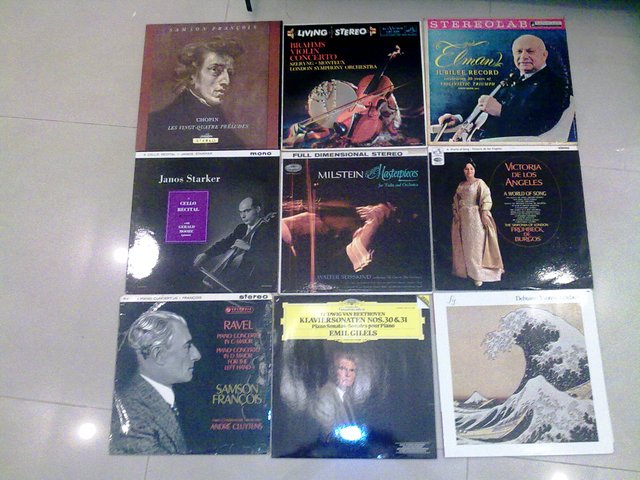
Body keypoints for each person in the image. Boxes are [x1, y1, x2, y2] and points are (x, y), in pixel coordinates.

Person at [439, 34, 571, 140]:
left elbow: (540, 123)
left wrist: (502, 111)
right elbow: (487, 104)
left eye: (530, 51)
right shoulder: (514, 77)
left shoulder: (555, 84)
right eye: (519, 52)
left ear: (544, 55)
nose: (523, 56)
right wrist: (459, 118)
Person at [110, 310, 202, 454]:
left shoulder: (155, 400)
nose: (197, 355)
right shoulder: (134, 422)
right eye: (187, 346)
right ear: (159, 355)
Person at [146, 37, 245, 151]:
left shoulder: (225, 127)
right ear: (192, 74)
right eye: (215, 70)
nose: (226, 81)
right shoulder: (156, 124)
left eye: (229, 73)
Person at [193, 197, 277, 292]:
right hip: (233, 278)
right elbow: (225, 243)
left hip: (255, 281)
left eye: (247, 211)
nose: (243, 216)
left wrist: (248, 248)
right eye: (241, 212)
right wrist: (206, 254)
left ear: (257, 209)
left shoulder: (269, 230)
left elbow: (270, 258)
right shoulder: (241, 228)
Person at [451, 160, 504, 286]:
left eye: (471, 169)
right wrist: (456, 213)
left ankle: (479, 274)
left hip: (476, 216)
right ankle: (470, 272)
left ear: (474, 170)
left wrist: (484, 212)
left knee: (477, 245)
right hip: (464, 217)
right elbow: (456, 201)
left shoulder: (479, 182)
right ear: (463, 171)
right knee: (467, 246)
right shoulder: (461, 185)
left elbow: (486, 197)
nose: (469, 171)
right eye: (466, 169)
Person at [310, 353, 359, 440]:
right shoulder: (325, 396)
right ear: (334, 371)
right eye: (343, 369)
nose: (348, 374)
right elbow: (328, 436)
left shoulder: (345, 396)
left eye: (352, 370)